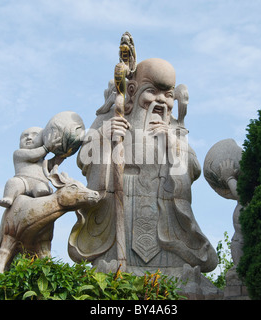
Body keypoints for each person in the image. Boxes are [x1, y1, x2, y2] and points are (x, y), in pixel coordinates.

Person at [70, 58, 218, 275]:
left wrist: (174, 145)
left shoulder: (174, 130)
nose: (160, 101)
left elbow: (192, 168)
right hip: (121, 212)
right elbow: (84, 158)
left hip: (165, 215)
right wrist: (103, 136)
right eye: (152, 91)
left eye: (167, 95)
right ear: (132, 90)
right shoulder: (113, 116)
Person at [0, 127, 53, 208]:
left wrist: (62, 156)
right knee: (13, 182)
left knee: (42, 188)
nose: (29, 138)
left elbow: (51, 165)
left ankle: (39, 193)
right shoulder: (18, 153)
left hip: (39, 182)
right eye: (25, 136)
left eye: (34, 135)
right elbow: (33, 155)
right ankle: (8, 197)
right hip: (23, 181)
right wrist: (46, 148)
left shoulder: (42, 160)